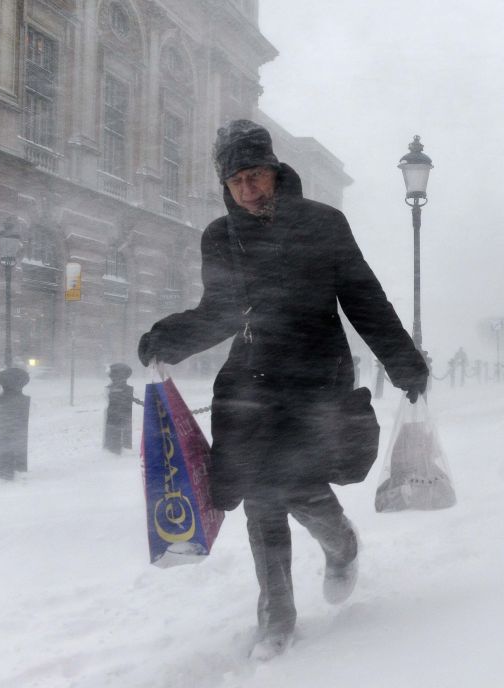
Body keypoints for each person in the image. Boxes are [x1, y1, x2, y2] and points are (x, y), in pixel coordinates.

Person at [137, 120, 429, 658]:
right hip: (250, 383)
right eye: (236, 181)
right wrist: (169, 338)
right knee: (260, 502)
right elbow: (220, 310)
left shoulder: (324, 224)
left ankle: (340, 545)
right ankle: (276, 619)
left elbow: (362, 298)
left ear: (274, 171)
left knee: (298, 488)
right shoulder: (219, 237)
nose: (247, 189)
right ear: (225, 186)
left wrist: (403, 362)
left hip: (316, 381)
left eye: (255, 175)